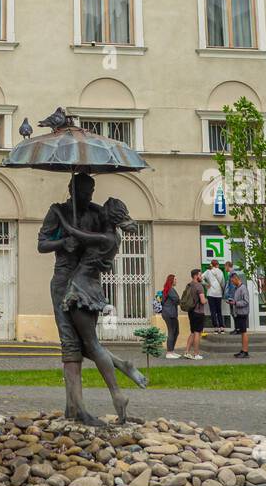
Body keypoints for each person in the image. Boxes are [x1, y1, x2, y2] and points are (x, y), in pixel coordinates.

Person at [38, 174, 148, 426]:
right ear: (71, 189)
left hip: (85, 283)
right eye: (83, 192)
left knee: (81, 343)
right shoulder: (57, 211)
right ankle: (74, 407)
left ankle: (78, 408)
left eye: (91, 191)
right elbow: (42, 245)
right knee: (70, 343)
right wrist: (62, 242)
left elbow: (107, 242)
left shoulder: (98, 213)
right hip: (63, 279)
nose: (88, 197)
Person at [181, 268, 207, 359]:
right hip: (198, 312)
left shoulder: (189, 285)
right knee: (197, 333)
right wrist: (206, 300)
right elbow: (203, 301)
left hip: (191, 311)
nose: (201, 277)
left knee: (192, 332)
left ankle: (187, 352)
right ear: (196, 276)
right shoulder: (199, 286)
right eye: (200, 275)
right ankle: (196, 354)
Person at [159, 273, 181, 357]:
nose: (176, 281)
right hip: (170, 314)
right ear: (171, 280)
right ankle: (169, 352)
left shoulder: (168, 289)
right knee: (172, 332)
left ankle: (171, 350)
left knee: (175, 332)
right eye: (175, 279)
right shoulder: (170, 290)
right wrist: (181, 301)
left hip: (169, 313)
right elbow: (176, 299)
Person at [230, 272, 250, 357]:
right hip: (238, 313)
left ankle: (245, 352)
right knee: (242, 332)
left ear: (236, 279)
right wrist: (232, 301)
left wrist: (235, 303)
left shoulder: (243, 288)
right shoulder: (237, 288)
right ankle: (243, 350)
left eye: (232, 281)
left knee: (244, 332)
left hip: (243, 313)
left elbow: (246, 301)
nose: (232, 282)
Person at [202, 260, 226, 332]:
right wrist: (222, 289)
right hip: (218, 294)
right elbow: (223, 283)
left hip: (210, 294)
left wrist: (206, 284)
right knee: (219, 310)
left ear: (211, 265)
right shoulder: (220, 272)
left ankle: (216, 327)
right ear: (217, 265)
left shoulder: (208, 271)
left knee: (213, 311)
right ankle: (221, 327)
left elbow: (200, 278)